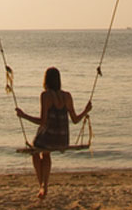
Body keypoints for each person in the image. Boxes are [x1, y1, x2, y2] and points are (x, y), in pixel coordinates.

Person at [16, 66, 92, 199]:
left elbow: (43, 121)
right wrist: (85, 111)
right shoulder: (67, 96)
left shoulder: (45, 96)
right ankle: (44, 185)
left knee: (35, 152)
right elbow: (75, 120)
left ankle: (43, 185)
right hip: (62, 139)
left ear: (46, 81)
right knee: (45, 153)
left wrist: (23, 115)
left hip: (48, 137)